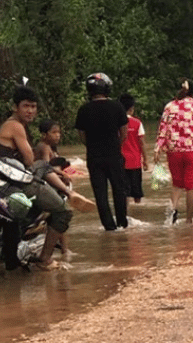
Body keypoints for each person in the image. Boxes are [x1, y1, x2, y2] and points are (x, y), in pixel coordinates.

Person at [0, 85, 77, 270]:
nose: (30, 110)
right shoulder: (16, 126)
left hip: (8, 178)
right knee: (63, 212)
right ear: (16, 107)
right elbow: (29, 159)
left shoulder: (11, 125)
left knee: (44, 167)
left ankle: (65, 192)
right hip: (16, 181)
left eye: (33, 106)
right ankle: (45, 259)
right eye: (26, 106)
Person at [74, 72, 130, 231]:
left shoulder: (84, 109)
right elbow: (124, 133)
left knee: (100, 194)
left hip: (94, 157)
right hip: (114, 155)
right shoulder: (117, 106)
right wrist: (115, 146)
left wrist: (93, 146)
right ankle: (122, 224)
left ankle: (109, 227)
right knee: (119, 190)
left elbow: (82, 137)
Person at [154, 78, 193, 225]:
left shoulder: (169, 106)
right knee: (192, 186)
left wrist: (158, 147)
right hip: (192, 151)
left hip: (174, 151)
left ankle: (171, 216)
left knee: (177, 184)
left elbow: (162, 129)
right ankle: (189, 219)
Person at [34, 119, 72, 258]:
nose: (58, 135)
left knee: (58, 219)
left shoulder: (51, 148)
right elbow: (45, 167)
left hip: (52, 186)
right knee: (59, 216)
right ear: (44, 134)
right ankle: (64, 251)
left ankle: (64, 251)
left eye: (59, 132)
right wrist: (61, 173)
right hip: (45, 187)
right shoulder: (43, 147)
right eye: (54, 132)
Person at [119, 93, 148, 204]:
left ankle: (125, 213)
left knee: (123, 191)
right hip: (135, 162)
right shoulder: (137, 123)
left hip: (120, 162)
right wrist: (145, 160)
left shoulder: (117, 123)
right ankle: (138, 210)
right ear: (132, 109)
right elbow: (142, 143)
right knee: (137, 192)